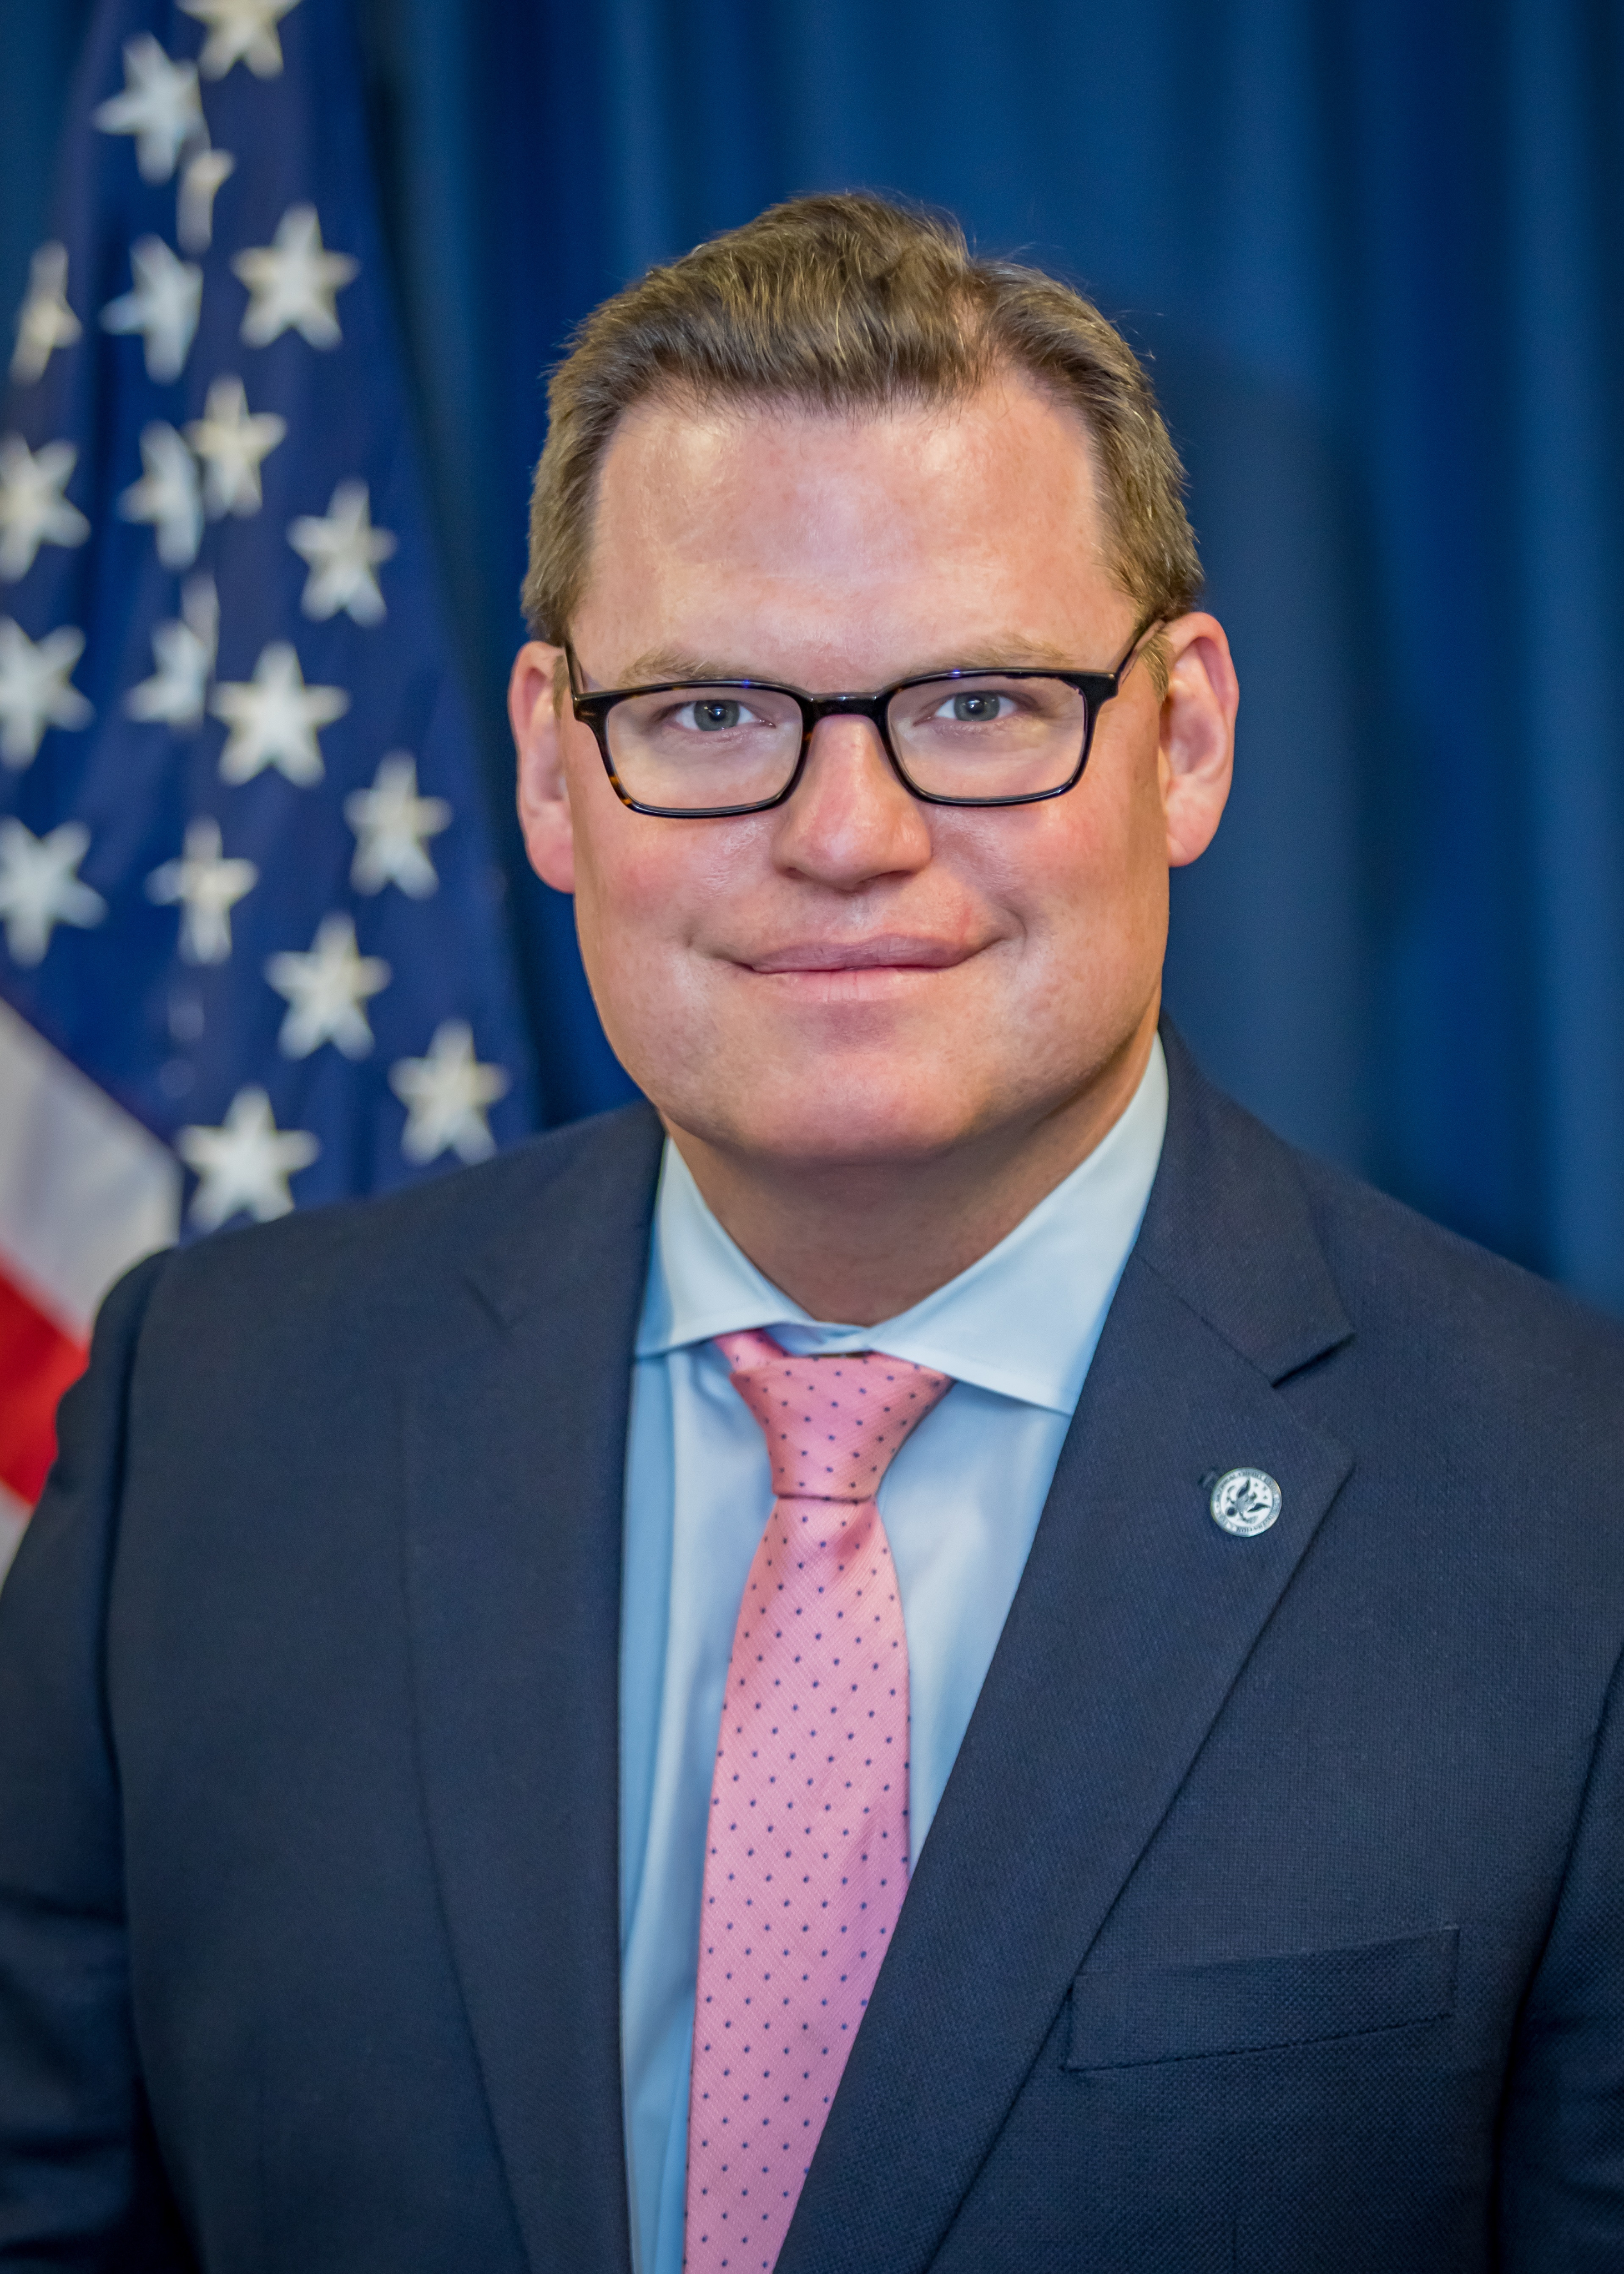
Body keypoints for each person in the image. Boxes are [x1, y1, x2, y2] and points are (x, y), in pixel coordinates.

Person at [2, 192, 1622, 2274]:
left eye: (973, 703)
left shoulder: (1574, 1521)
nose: (845, 839)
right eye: (705, 716)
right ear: (550, 773)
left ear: (1186, 737)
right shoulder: (204, 1424)